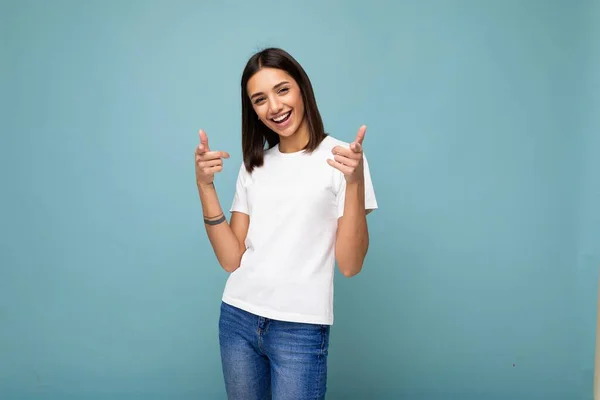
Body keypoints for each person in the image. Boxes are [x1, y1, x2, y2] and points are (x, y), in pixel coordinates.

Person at [194, 47, 378, 400]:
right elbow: (231, 259)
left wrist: (354, 183)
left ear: (301, 88)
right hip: (238, 318)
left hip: (300, 328)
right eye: (259, 99)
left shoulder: (343, 159)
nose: (274, 107)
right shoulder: (254, 165)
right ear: (253, 110)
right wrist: (205, 186)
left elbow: (351, 265)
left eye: (282, 90)